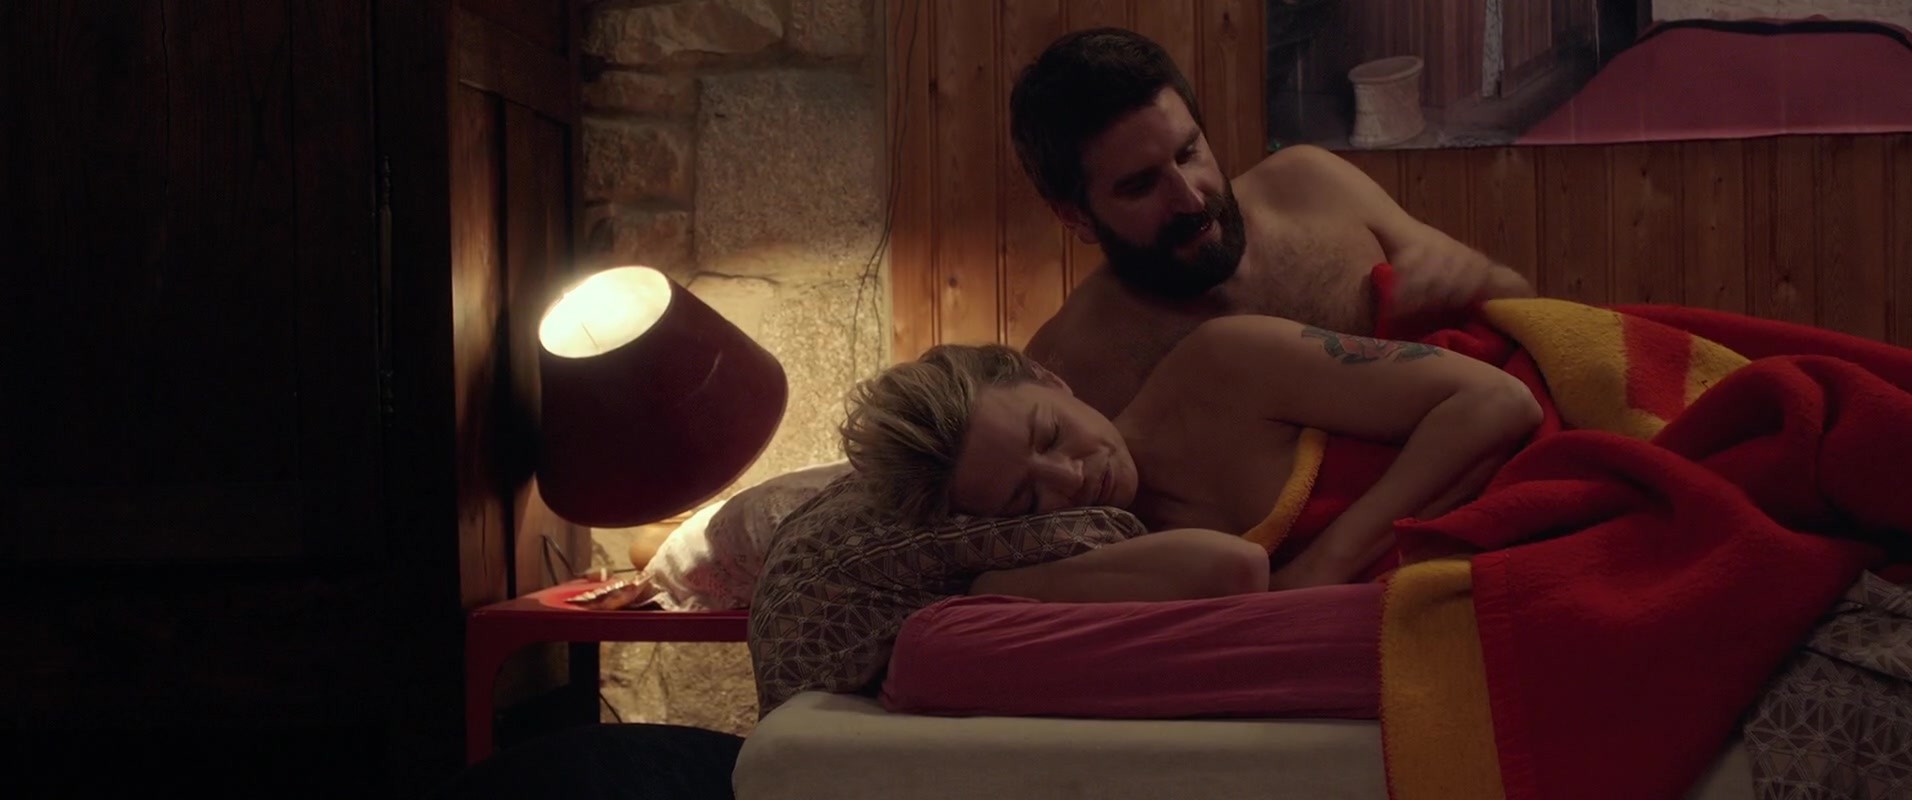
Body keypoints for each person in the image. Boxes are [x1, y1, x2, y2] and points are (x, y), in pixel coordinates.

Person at [1010, 28, 1535, 418]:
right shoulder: (1074, 367)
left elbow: (1517, 303)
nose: (1191, 198)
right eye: (1141, 185)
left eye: (1189, 152)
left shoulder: (1311, 182)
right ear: (1076, 216)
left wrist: (1476, 275)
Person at [840, 313, 1542, 600]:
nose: (1069, 478)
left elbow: (1498, 402)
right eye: (1026, 499)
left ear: (1049, 380)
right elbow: (1228, 572)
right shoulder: (1103, 556)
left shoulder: (1222, 365)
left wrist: (1323, 567)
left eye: (1049, 436)